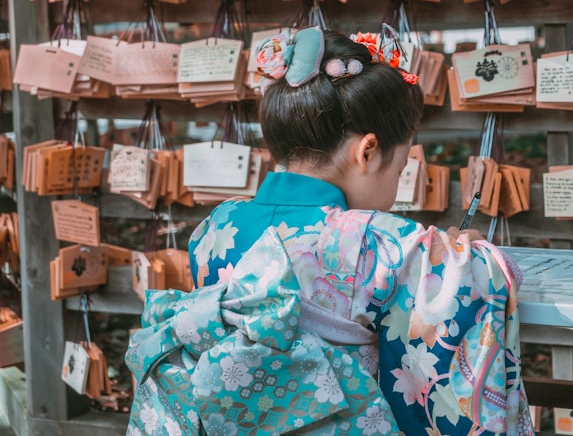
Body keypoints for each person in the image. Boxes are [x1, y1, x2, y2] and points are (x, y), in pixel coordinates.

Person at [125, 27, 534, 436]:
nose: (398, 180)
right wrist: (468, 253)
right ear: (368, 152)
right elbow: (469, 287)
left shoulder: (215, 228)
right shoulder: (376, 243)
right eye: (401, 165)